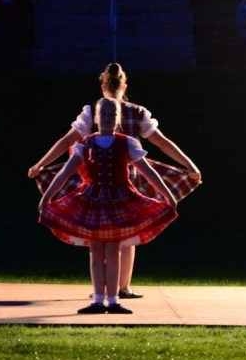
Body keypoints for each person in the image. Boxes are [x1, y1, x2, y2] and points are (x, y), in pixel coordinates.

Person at [28, 62, 200, 299]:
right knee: (126, 236)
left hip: (98, 179)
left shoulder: (94, 111)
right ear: (125, 85)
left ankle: (102, 291)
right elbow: (162, 142)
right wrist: (188, 164)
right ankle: (121, 288)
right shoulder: (137, 111)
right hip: (128, 178)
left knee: (99, 237)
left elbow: (66, 141)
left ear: (102, 85)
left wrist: (41, 164)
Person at [39, 97, 177, 315]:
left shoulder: (126, 143)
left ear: (117, 119)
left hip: (119, 201)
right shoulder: (85, 144)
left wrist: (167, 194)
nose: (107, 118)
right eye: (103, 114)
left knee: (113, 251)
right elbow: (65, 172)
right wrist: (46, 196)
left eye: (112, 115)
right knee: (95, 252)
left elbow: (147, 171)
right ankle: (98, 299)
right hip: (92, 201)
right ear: (95, 117)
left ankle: (113, 300)